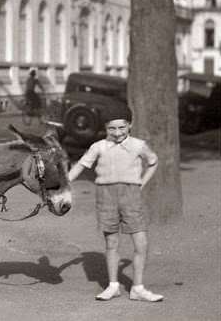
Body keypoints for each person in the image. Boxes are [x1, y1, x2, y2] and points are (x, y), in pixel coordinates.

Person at [67, 106, 163, 302]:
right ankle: (113, 286)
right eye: (112, 128)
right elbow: (80, 166)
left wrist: (141, 184)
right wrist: (63, 184)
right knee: (111, 243)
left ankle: (138, 287)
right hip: (105, 196)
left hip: (131, 196)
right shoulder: (98, 147)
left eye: (122, 127)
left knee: (141, 243)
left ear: (130, 125)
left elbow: (153, 162)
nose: (117, 133)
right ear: (105, 127)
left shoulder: (138, 145)